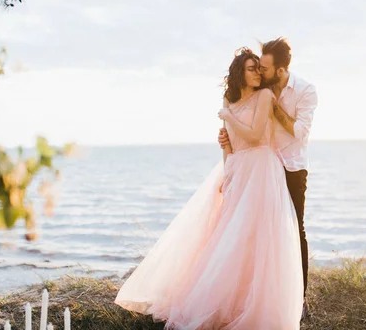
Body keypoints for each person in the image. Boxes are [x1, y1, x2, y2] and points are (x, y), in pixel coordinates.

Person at [115, 47, 303, 329]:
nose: (257, 73)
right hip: (239, 169)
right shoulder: (229, 98)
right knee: (229, 233)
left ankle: (256, 306)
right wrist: (227, 172)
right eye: (251, 68)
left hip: (262, 169)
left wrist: (228, 116)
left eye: (258, 68)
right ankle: (225, 299)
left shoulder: (264, 96)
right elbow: (230, 144)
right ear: (240, 71)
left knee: (257, 236)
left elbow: (253, 137)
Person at [219, 37, 318, 319]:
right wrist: (227, 138)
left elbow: (299, 132)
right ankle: (256, 291)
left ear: (282, 70)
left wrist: (274, 108)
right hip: (262, 166)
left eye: (265, 68)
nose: (260, 72)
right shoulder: (258, 88)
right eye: (258, 67)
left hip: (291, 165)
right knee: (258, 230)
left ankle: (299, 298)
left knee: (293, 230)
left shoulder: (306, 91)